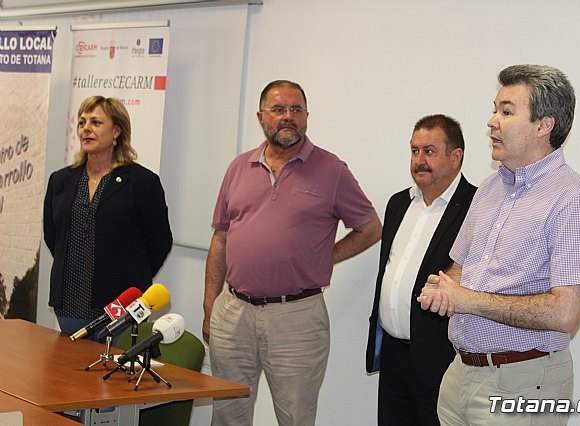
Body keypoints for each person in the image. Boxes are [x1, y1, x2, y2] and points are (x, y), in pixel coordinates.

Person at [418, 65, 580, 425]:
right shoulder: (489, 188)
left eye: (506, 112)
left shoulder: (576, 200)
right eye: (495, 110)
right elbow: (460, 268)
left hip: (523, 382)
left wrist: (467, 299)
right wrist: (444, 288)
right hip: (460, 373)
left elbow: (565, 313)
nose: (492, 121)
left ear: (544, 125)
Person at [203, 80, 382, 426]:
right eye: (278, 109)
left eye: (296, 109)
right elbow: (221, 238)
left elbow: (371, 229)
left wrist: (323, 256)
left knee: (295, 418)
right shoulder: (238, 168)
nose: (288, 116)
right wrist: (210, 304)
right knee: (227, 416)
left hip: (297, 318)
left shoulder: (331, 170)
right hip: (233, 311)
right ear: (261, 117)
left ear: (306, 116)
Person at [366, 114, 476, 425]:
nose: (419, 160)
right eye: (414, 151)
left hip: (440, 358)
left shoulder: (476, 206)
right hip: (393, 354)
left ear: (455, 157)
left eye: (429, 151)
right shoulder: (398, 203)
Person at [44, 96, 172, 340]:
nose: (86, 129)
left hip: (120, 305)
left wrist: (129, 275)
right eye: (82, 122)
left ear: (116, 131)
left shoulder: (141, 182)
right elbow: (53, 235)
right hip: (70, 303)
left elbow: (160, 242)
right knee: (69, 364)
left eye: (96, 122)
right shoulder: (61, 180)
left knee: (112, 364)